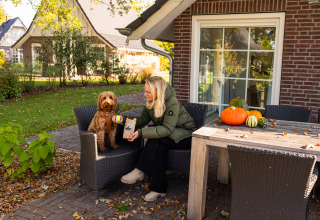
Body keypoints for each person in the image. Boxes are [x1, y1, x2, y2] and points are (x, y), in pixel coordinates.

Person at [112, 76, 196, 202]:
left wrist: (140, 133)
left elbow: (167, 129)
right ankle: (159, 189)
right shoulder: (150, 101)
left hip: (185, 134)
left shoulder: (171, 102)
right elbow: (141, 120)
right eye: (145, 91)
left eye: (148, 92)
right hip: (168, 134)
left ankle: (140, 171)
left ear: (158, 92)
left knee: (155, 140)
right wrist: (122, 119)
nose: (144, 94)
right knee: (158, 147)